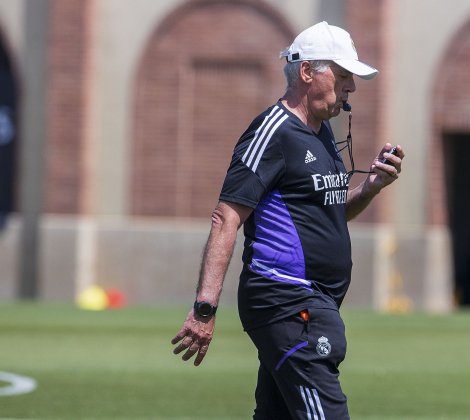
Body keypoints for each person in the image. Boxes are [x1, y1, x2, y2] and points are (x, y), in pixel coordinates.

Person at [171, 21, 404, 419]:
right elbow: (226, 217)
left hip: (314, 303)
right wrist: (204, 309)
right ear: (307, 72)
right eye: (344, 75)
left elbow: (327, 215)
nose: (351, 88)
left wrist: (371, 189)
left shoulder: (323, 134)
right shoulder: (272, 132)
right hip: (286, 301)